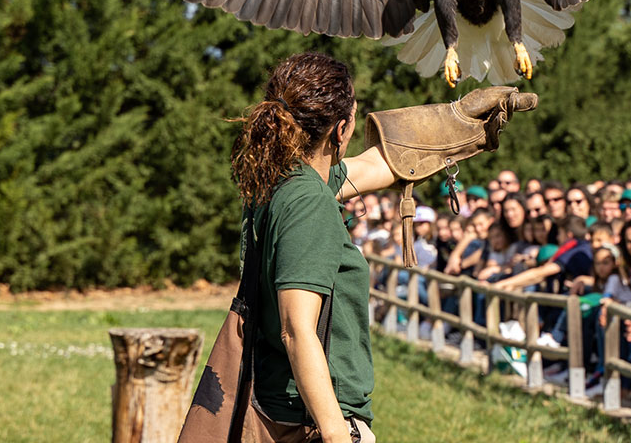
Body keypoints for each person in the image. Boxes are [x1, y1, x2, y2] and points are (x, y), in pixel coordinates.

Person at [221, 52, 531, 442]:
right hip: (311, 422)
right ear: (341, 129)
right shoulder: (308, 201)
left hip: (286, 408)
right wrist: (337, 433)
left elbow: (375, 166)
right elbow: (296, 330)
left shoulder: (282, 181)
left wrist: (459, 118)